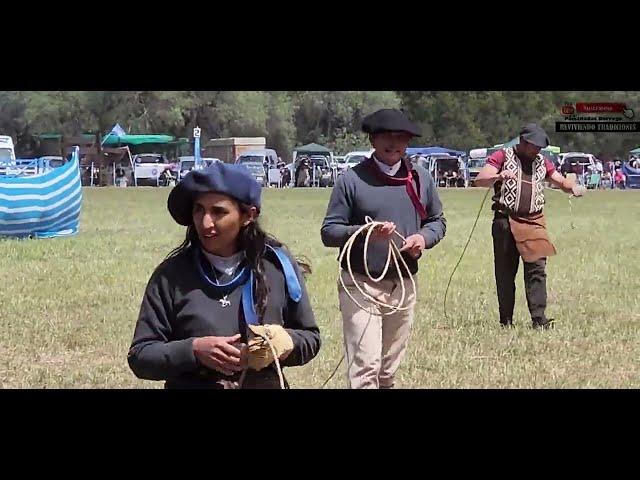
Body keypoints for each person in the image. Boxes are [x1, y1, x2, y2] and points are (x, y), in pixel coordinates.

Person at [128, 162, 321, 389]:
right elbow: (140, 356)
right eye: (199, 210)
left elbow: (311, 339)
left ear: (248, 215)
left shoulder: (278, 268)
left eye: (218, 212)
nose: (205, 222)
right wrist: (193, 350)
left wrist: (281, 344)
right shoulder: (171, 276)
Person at [320, 108, 447, 389]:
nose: (393, 142)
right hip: (360, 284)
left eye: (400, 137)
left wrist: (423, 239)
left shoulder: (421, 178)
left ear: (408, 142)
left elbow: (437, 221)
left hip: (403, 285)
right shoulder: (351, 180)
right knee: (366, 368)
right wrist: (365, 233)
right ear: (373, 140)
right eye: (385, 136)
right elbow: (329, 231)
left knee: (388, 372)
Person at [474, 124, 585, 329]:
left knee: (537, 270)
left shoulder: (543, 162)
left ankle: (539, 319)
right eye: (534, 146)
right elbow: (480, 179)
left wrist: (573, 187)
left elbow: (560, 182)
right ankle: (506, 321)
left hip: (534, 222)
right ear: (523, 142)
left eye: (540, 147)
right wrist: (498, 176)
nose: (537, 151)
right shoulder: (502, 156)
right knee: (506, 273)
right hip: (505, 221)